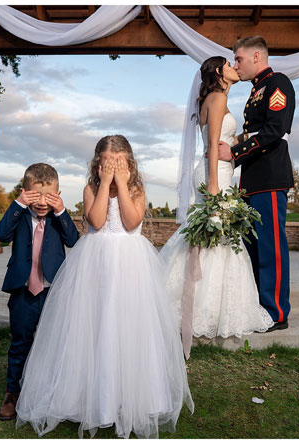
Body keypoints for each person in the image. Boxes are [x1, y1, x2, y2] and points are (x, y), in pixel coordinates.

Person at [15, 135, 194, 439]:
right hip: (96, 265)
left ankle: (130, 399)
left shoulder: (136, 190)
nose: (113, 168)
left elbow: (131, 222)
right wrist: (105, 183)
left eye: (119, 163)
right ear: (98, 164)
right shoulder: (90, 189)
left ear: (129, 164)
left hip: (131, 267)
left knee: (128, 328)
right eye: (108, 163)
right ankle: (91, 398)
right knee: (95, 327)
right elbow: (96, 221)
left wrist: (121, 184)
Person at [160, 56, 273, 352]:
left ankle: (206, 306)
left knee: (213, 238)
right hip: (215, 174)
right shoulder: (218, 98)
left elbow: (223, 141)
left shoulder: (215, 98)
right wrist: (213, 184)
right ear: (219, 72)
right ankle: (201, 311)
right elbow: (212, 145)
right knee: (215, 238)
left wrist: (242, 141)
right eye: (228, 64)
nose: (234, 67)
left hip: (220, 171)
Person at [217, 36, 295, 332]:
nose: (236, 65)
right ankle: (260, 307)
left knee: (271, 247)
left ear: (257, 56)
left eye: (239, 59)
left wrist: (235, 153)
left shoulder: (277, 83)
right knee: (253, 246)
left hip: (270, 177)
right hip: (252, 178)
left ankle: (276, 312)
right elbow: (253, 132)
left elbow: (275, 130)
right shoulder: (256, 90)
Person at [0, 163, 80, 421]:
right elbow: (1, 234)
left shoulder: (57, 217)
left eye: (49, 196)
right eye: (36, 195)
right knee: (20, 342)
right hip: (23, 291)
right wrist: (19, 204)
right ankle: (12, 392)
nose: (42, 202)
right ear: (25, 191)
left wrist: (61, 210)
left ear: (58, 194)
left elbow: (74, 240)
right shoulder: (19, 214)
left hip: (53, 291)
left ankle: (49, 391)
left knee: (53, 342)